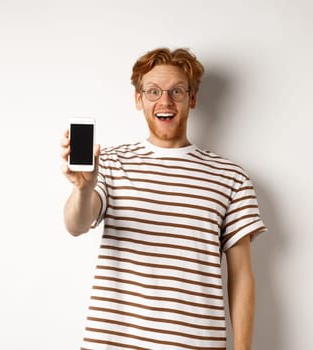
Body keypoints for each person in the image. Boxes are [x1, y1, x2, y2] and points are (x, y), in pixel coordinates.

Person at [61, 48, 266, 350]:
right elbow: (76, 225)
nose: (165, 101)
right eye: (153, 91)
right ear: (138, 99)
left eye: (177, 91)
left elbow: (241, 277)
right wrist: (83, 189)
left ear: (192, 99)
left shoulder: (231, 177)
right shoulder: (112, 163)